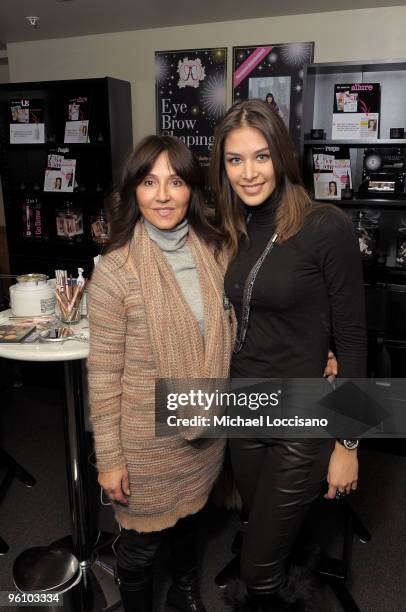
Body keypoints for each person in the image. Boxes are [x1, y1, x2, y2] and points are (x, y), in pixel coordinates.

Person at [209, 99, 367, 611]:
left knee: (256, 569)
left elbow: (355, 340)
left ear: (281, 156)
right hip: (246, 405)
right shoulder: (235, 228)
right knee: (265, 533)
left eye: (260, 156)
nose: (249, 172)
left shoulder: (326, 225)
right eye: (235, 160)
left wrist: (348, 443)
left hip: (304, 413)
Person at [87, 135, 236, 612]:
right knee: (141, 546)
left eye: (175, 181)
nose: (163, 194)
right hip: (144, 443)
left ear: (192, 189)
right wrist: (109, 458)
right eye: (150, 182)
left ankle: (186, 592)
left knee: (193, 521)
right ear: (133, 191)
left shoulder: (216, 252)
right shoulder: (116, 271)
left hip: (205, 430)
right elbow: (105, 375)